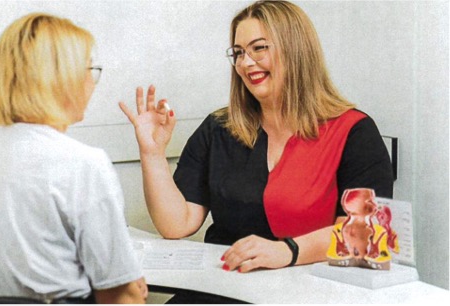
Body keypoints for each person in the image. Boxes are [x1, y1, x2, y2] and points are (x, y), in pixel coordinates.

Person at [120, 0, 393, 301]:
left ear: (296, 49)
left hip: (310, 291)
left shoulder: (354, 132)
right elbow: (177, 223)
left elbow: (363, 235)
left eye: (258, 48)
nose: (245, 63)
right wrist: (152, 154)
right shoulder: (218, 128)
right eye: (238, 53)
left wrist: (287, 251)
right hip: (224, 287)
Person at [0, 13, 147, 304]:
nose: (92, 81)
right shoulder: (83, 163)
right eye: (90, 69)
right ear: (63, 77)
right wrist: (126, 287)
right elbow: (119, 297)